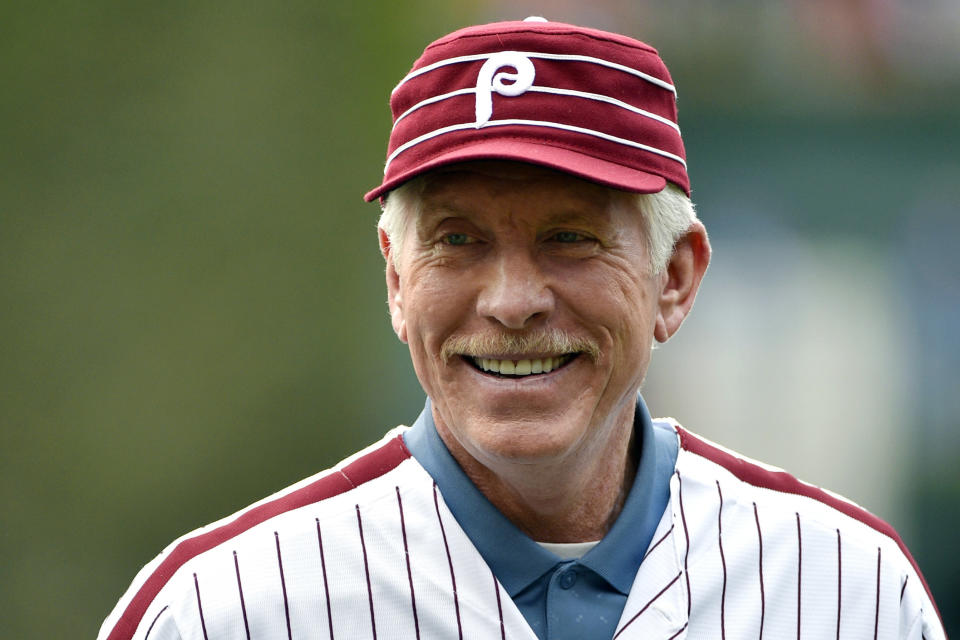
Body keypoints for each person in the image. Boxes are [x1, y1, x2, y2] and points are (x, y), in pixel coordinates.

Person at [99, 17, 946, 640]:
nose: (511, 300)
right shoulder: (225, 609)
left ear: (675, 280)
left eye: (569, 238)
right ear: (398, 281)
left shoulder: (848, 588)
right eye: (458, 241)